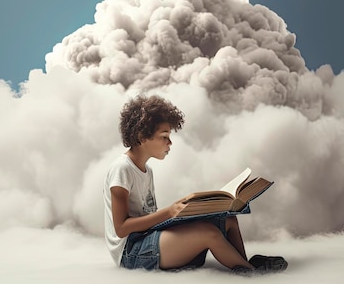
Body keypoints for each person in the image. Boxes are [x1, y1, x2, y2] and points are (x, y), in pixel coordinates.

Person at [103, 94, 287, 275]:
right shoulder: (122, 169)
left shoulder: (146, 170)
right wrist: (169, 212)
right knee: (208, 232)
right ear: (142, 137)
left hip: (148, 238)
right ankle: (252, 273)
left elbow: (148, 217)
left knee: (228, 220)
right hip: (132, 253)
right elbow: (121, 228)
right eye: (164, 136)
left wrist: (188, 214)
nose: (170, 142)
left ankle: (242, 263)